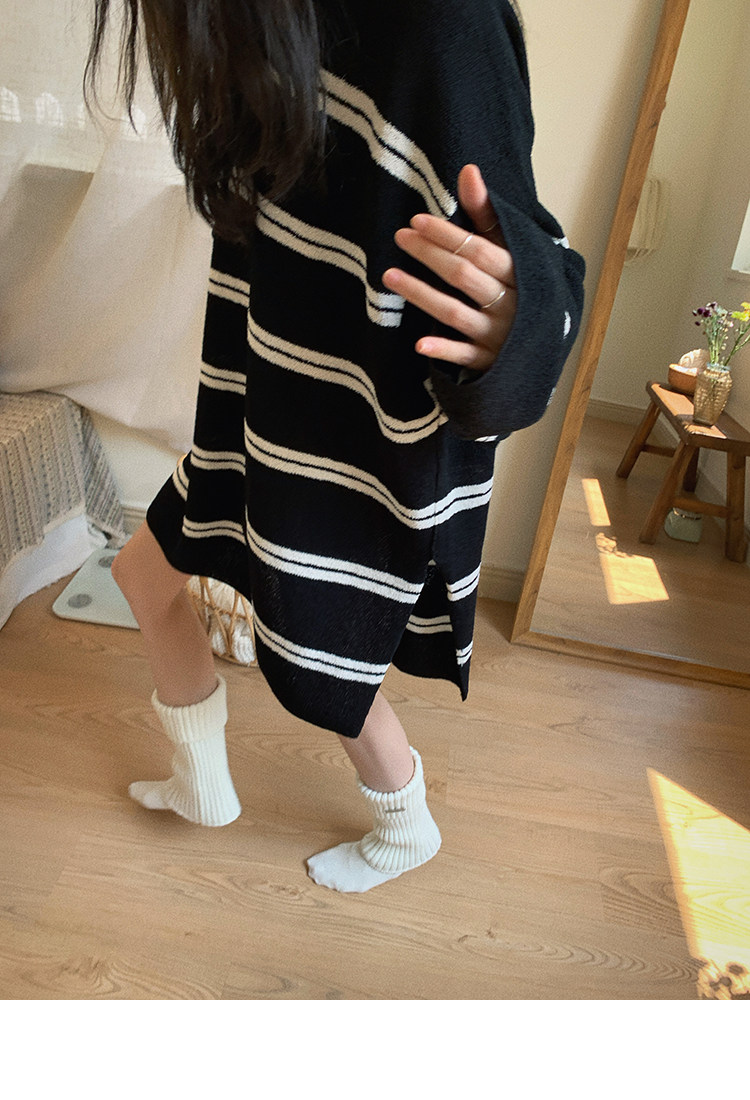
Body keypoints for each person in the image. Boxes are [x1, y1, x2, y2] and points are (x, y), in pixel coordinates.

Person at [86, 0, 585, 893]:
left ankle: (408, 824)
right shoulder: (256, 24)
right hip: (260, 418)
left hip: (351, 445)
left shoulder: (438, 22)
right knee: (143, 577)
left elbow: (529, 251)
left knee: (320, 660)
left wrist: (517, 317)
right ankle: (202, 783)